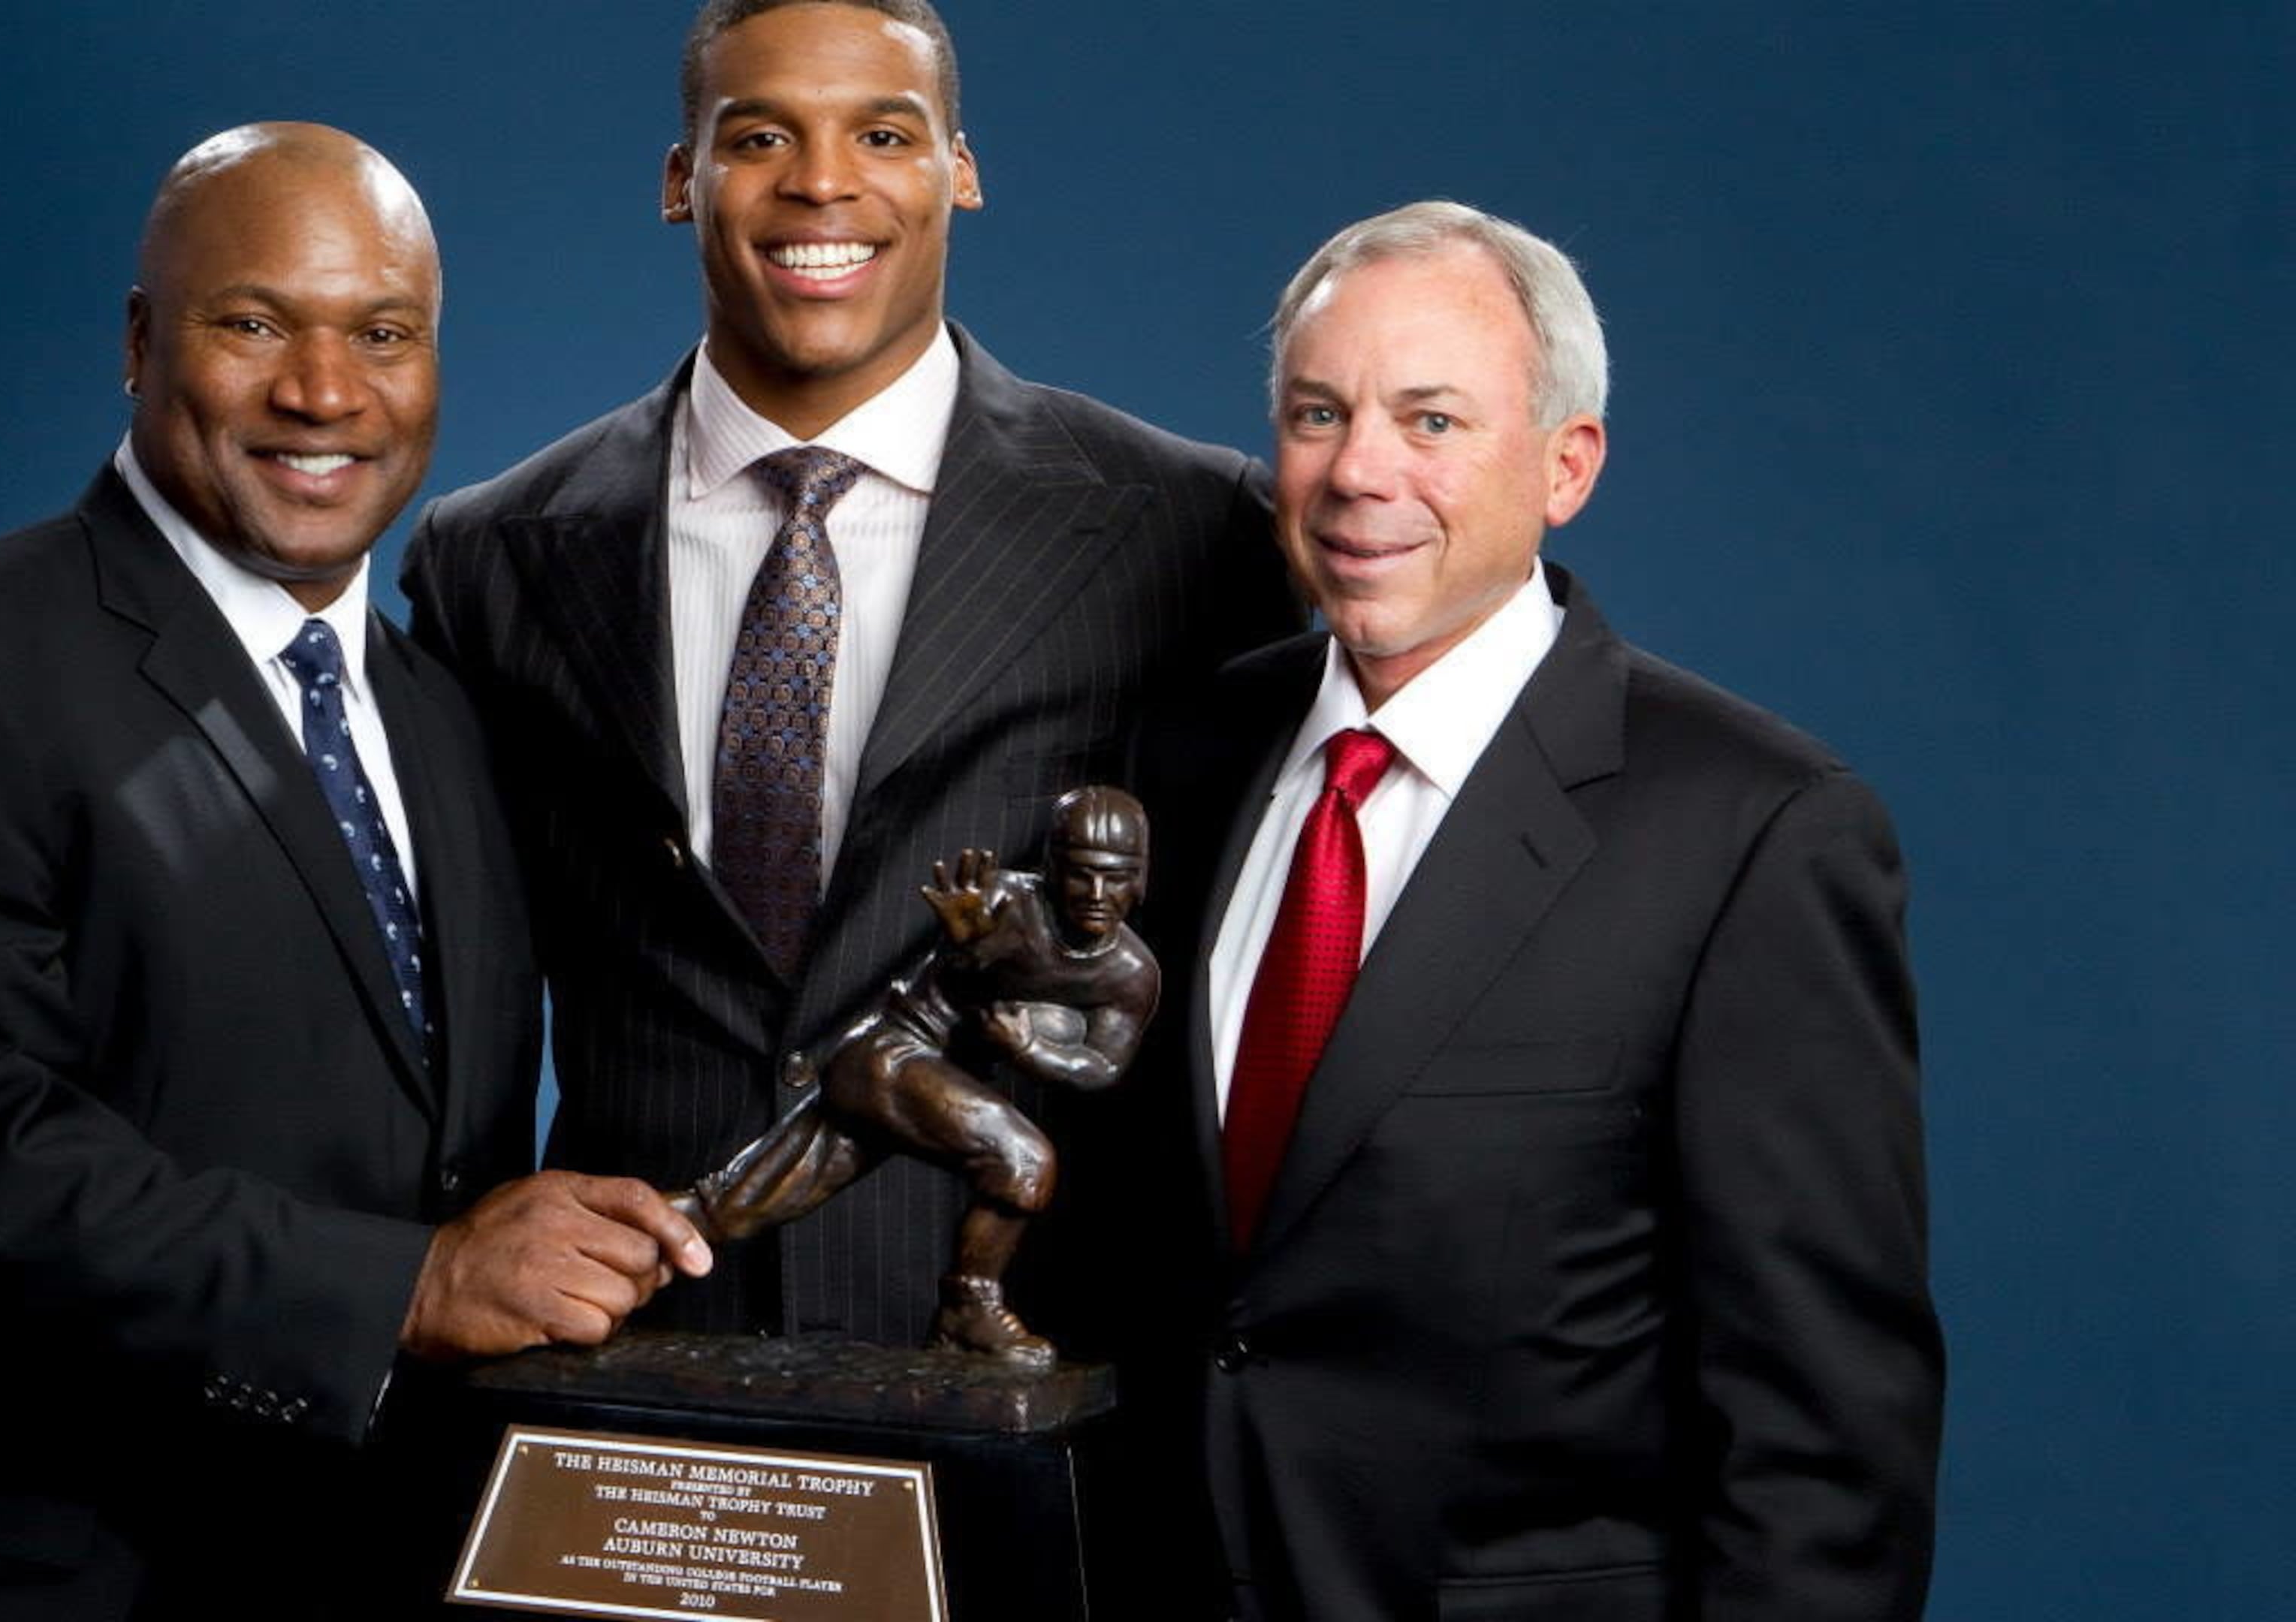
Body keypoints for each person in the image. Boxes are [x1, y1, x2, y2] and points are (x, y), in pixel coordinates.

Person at [0, 122, 708, 1618]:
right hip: (21, 1579)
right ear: (140, 342)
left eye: (383, 334)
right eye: (254, 324)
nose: (325, 392)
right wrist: (407, 1286)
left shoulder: (443, 715)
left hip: (364, 1565)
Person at [401, 0, 1296, 1349]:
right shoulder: (490, 556)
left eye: (883, 134)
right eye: (761, 136)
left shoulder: (1189, 533)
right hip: (626, 1360)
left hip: (1032, 1368)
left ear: (959, 169)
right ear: (682, 179)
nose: (822, 182)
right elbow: (439, 989)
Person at [1094, 201, 1943, 1618]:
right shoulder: (1182, 756)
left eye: (1431, 421)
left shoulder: (1757, 831)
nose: (1359, 472)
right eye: (1318, 414)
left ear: (1567, 466)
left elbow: (1826, 1433)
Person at [671, 787, 1161, 1364]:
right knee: (1024, 1161)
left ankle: (637, 1237)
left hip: (930, 1080)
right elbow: (965, 969)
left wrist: (1031, 1049)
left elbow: (1103, 1066)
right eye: (1081, 875)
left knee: (745, 1202)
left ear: (1141, 877)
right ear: (1053, 869)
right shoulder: (1004, 903)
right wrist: (971, 950)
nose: (1098, 895)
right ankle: (968, 1308)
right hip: (891, 1056)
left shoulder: (1131, 973)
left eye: (1116, 877)